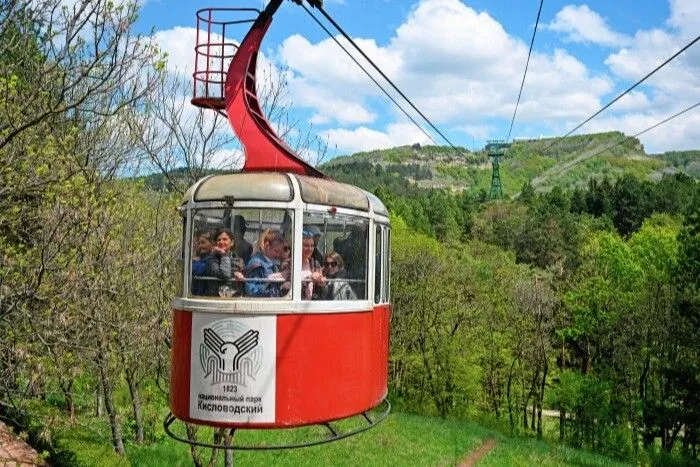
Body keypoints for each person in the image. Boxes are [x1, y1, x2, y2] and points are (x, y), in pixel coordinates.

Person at [246, 229, 290, 297]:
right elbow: (252, 291)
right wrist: (268, 280)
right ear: (267, 245)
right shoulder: (256, 264)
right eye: (276, 251)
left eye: (280, 252)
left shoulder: (271, 263)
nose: (278, 255)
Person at [205, 228, 245, 297]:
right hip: (216, 298)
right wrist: (224, 255)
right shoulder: (211, 259)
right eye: (218, 240)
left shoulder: (238, 259)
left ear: (232, 242)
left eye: (225, 239)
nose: (221, 242)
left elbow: (245, 279)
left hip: (236, 297)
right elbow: (224, 275)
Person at [301, 228, 326, 300]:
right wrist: (309, 278)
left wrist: (321, 285)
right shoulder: (291, 264)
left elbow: (321, 293)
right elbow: (287, 288)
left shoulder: (315, 264)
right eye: (306, 245)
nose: (309, 249)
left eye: (312, 246)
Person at [191, 230, 214, 295]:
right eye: (199, 243)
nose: (200, 246)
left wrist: (194, 260)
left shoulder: (212, 258)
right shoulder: (202, 258)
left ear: (212, 243)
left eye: (203, 242)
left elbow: (197, 269)